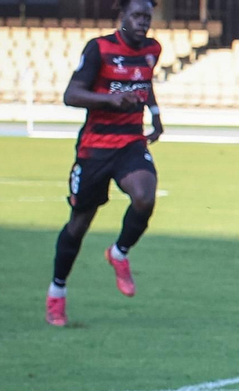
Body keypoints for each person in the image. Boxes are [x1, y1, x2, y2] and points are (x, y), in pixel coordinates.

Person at [46, 0, 163, 327]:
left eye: (147, 18)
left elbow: (144, 82)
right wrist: (109, 99)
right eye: (137, 16)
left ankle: (119, 253)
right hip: (94, 149)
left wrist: (155, 115)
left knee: (145, 196)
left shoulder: (153, 49)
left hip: (130, 142)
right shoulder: (99, 49)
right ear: (122, 17)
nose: (143, 23)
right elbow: (71, 94)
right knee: (78, 225)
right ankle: (57, 293)